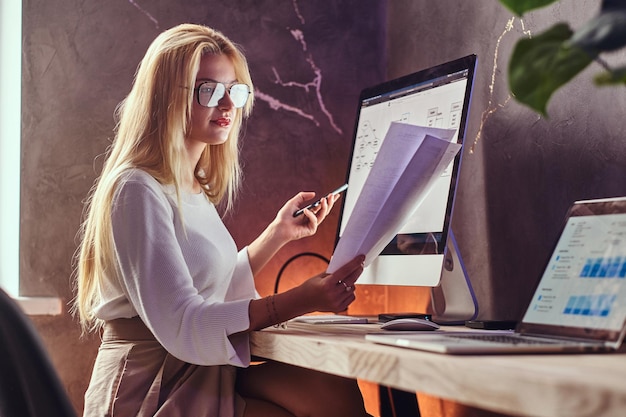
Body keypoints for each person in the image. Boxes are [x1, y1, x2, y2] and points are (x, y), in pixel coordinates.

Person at [73, 23, 370, 417]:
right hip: (151, 387)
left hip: (198, 367)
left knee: (330, 386)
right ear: (165, 97)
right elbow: (184, 320)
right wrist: (302, 299)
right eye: (209, 90)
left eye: (235, 91)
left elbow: (212, 287)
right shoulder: (136, 188)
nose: (228, 105)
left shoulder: (191, 184)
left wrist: (278, 235)